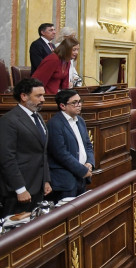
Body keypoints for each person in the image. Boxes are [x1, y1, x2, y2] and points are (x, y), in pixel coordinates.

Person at [0, 78, 52, 217]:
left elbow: (43, 152)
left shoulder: (38, 117)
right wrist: (20, 189)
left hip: (38, 186)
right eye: (38, 96)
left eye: (43, 95)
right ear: (23, 96)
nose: (43, 99)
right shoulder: (9, 120)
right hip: (20, 190)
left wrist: (46, 180)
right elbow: (7, 158)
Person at [46, 89, 95, 202]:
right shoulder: (55, 124)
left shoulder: (80, 121)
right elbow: (60, 153)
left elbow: (88, 145)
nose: (79, 105)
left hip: (81, 177)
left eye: (80, 101)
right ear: (62, 106)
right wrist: (82, 170)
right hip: (66, 180)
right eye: (74, 103)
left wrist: (89, 162)